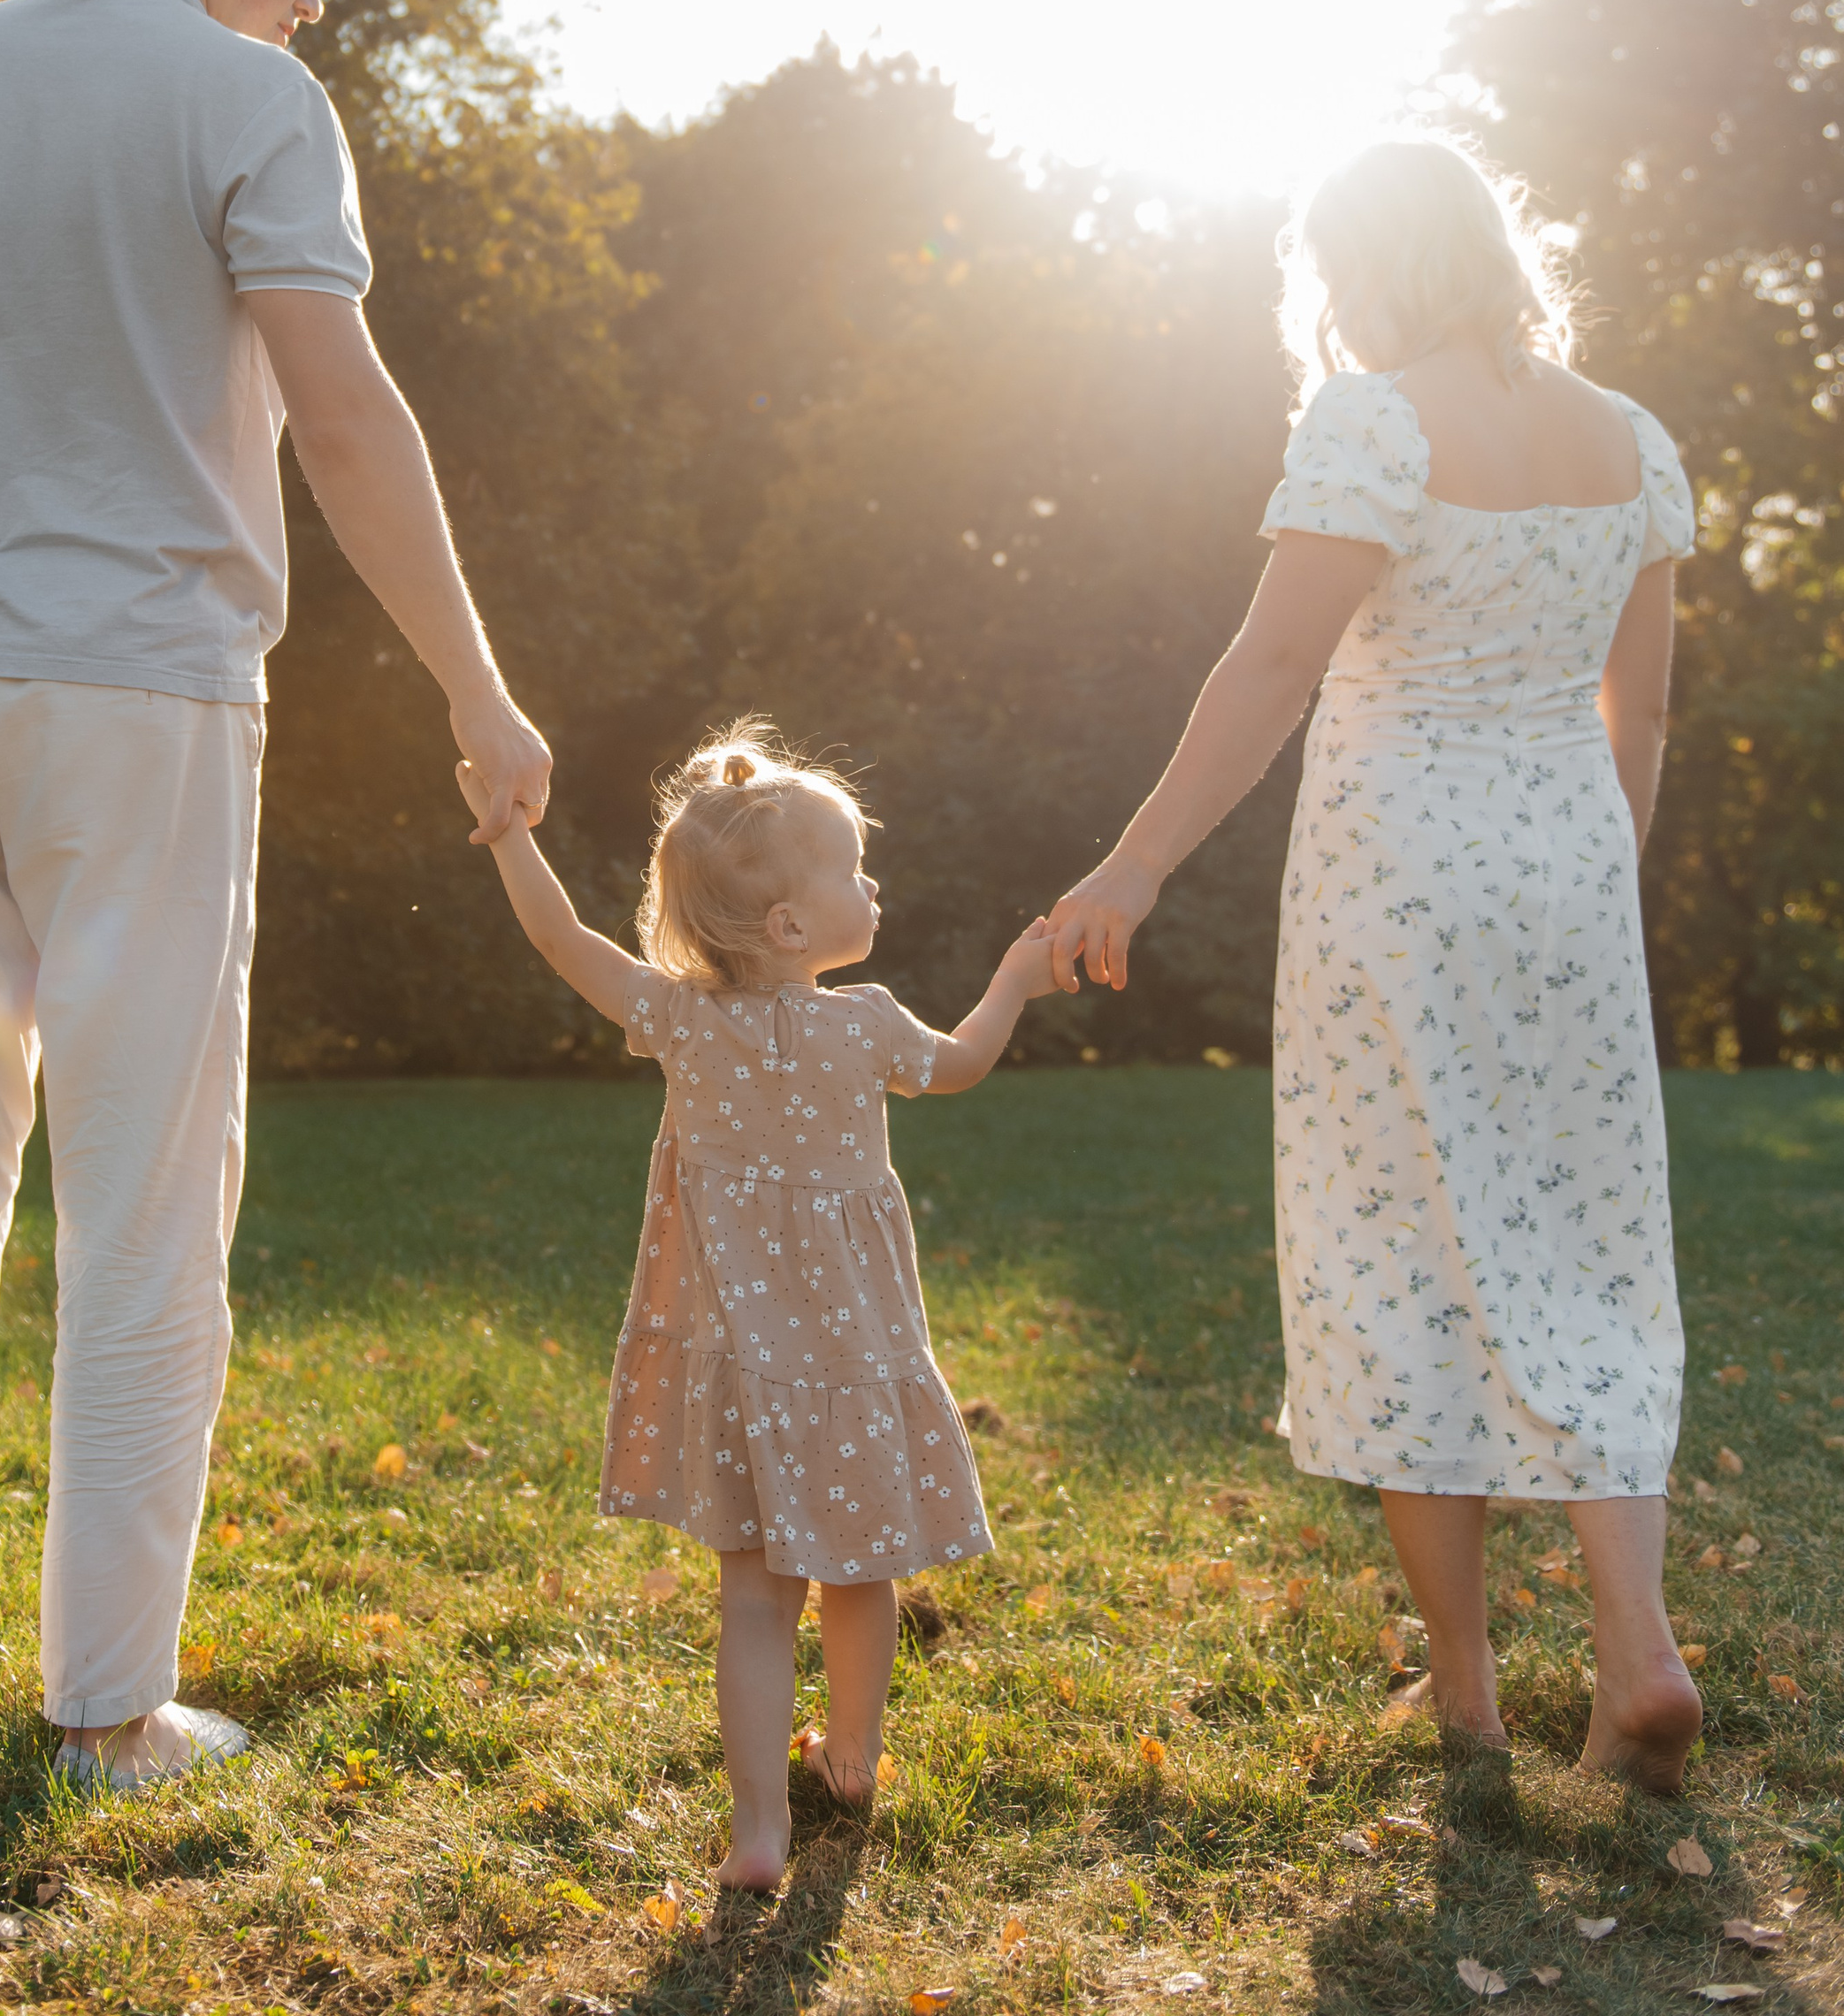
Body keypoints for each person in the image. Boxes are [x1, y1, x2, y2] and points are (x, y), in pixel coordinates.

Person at [0, 0, 549, 1804]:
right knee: (141, 1203)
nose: (306, 6)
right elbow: (347, 417)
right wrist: (479, 688)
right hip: (134, 697)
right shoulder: (244, 104)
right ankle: (109, 1713)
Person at [1044, 136, 1703, 1794]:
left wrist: (1131, 865)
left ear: (1377, 266)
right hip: (1570, 878)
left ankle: (1470, 1697)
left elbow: (1275, 664)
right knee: (1584, 1244)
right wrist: (1598, 865)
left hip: (1399, 880)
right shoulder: (1634, 438)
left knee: (1402, 1247)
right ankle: (1637, 1647)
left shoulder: (1375, 418)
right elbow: (1649, 713)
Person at [455, 719, 1063, 1887]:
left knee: (751, 1595)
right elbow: (964, 1062)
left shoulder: (683, 1023)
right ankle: (853, 1751)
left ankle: (758, 1832)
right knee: (862, 1568)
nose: (869, 882)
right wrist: (1014, 981)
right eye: (850, 868)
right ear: (791, 927)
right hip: (856, 1350)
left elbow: (557, 934)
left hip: (740, 1355)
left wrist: (508, 835)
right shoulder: (870, 1024)